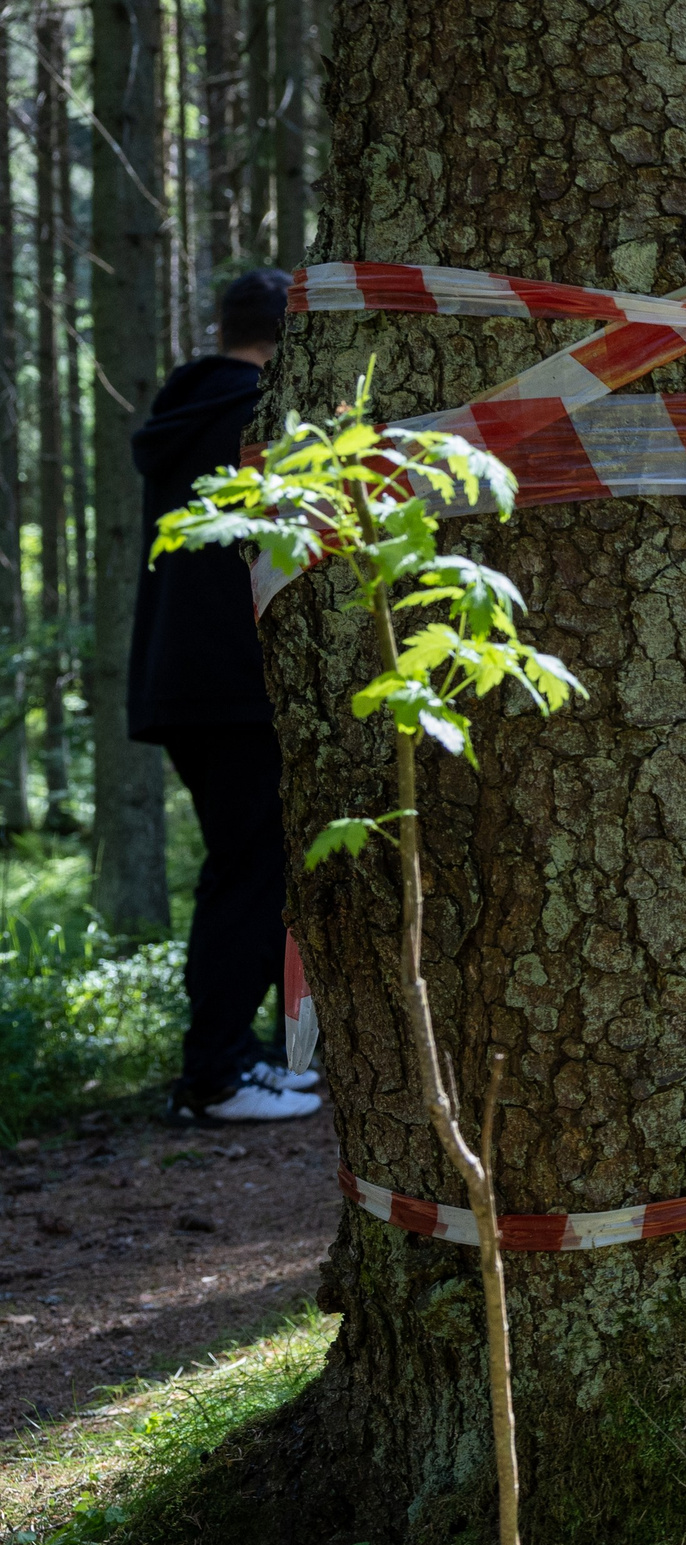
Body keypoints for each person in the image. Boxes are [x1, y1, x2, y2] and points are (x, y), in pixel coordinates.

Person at [129, 269, 322, 1124]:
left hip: (187, 683)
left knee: (244, 867)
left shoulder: (187, 412)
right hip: (233, 684)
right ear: (287, 334)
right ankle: (216, 1073)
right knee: (249, 872)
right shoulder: (257, 413)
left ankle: (239, 1056)